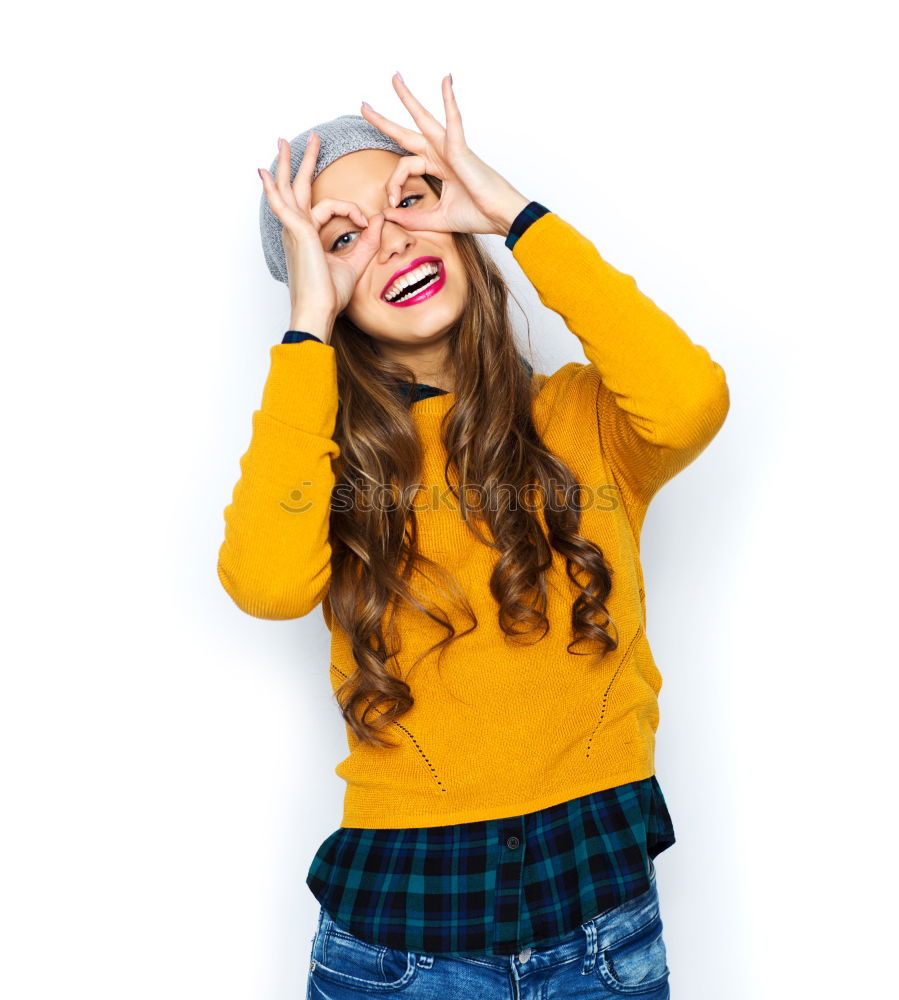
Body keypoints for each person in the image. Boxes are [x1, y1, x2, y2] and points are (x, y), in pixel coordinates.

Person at [218, 72, 730, 998]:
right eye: (342, 238)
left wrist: (513, 212)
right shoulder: (324, 467)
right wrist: (305, 329)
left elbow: (689, 401)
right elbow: (264, 584)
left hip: (602, 923)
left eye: (411, 199)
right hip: (399, 942)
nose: (391, 239)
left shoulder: (584, 418)